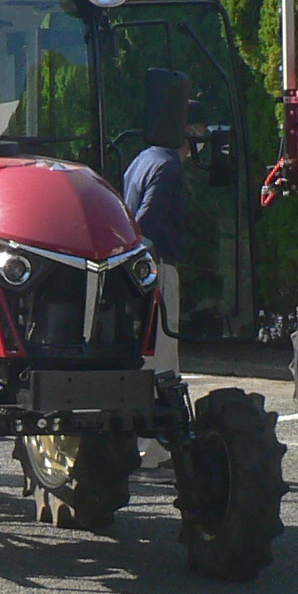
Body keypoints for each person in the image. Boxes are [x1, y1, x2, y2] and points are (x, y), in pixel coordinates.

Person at [121, 72, 190, 381]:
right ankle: (159, 413)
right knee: (162, 350)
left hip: (136, 266)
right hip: (159, 264)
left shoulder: (140, 160)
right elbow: (149, 219)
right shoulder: (169, 166)